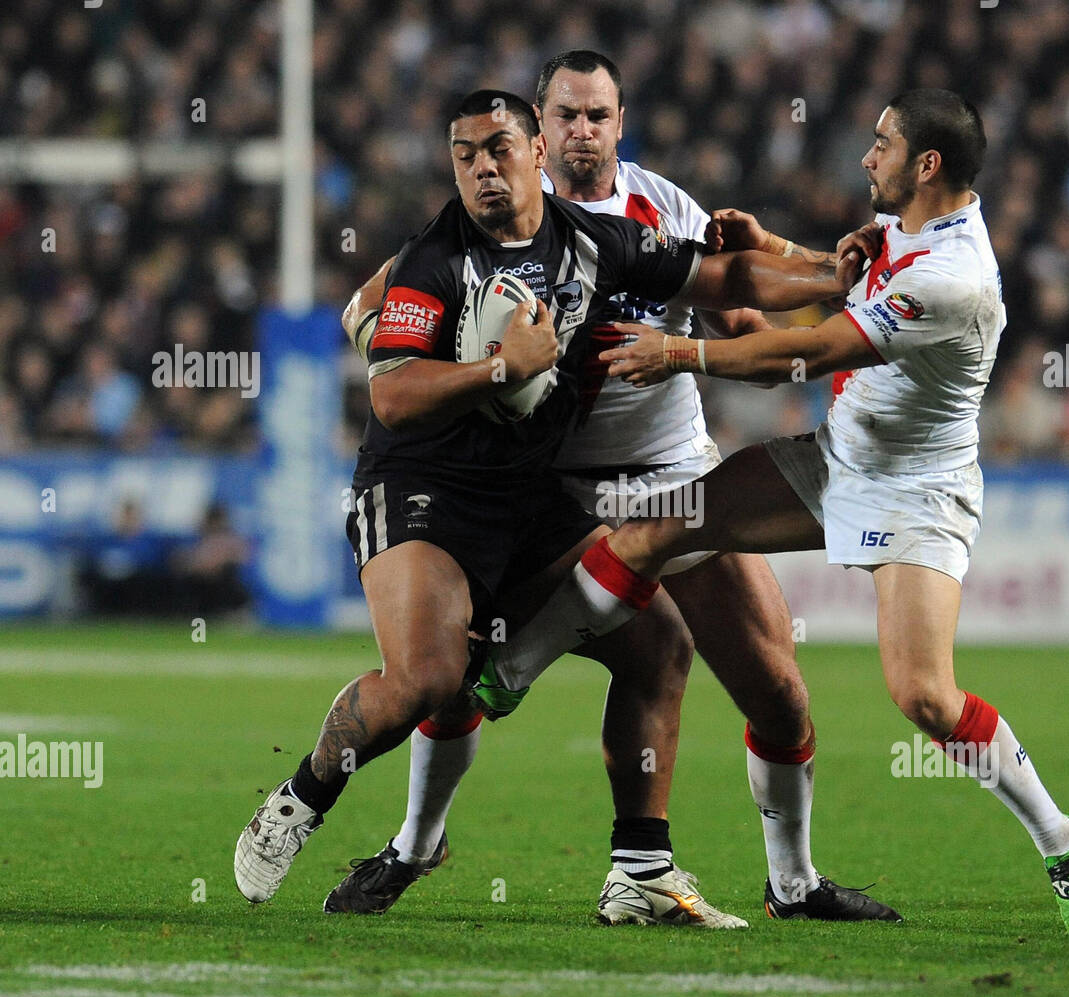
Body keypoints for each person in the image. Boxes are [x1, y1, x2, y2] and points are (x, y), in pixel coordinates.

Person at [472, 89, 1069, 938]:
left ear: (926, 164)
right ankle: (510, 672)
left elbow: (808, 351)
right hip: (838, 458)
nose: (865, 157)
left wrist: (683, 352)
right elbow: (853, 272)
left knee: (922, 694)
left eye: (881, 144)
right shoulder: (920, 226)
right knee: (663, 526)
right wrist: (778, 247)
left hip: (918, 489)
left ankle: (1065, 842)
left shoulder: (954, 278)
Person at [233, 88, 852, 920]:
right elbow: (394, 395)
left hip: (533, 498)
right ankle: (303, 796)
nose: (483, 169)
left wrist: (833, 270)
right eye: (464, 156)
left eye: (497, 148)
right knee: (426, 678)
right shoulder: (434, 257)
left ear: (535, 154)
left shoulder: (602, 238)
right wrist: (500, 368)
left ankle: (638, 870)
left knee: (659, 642)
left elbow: (728, 274)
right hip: (424, 488)